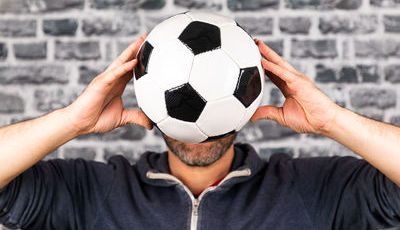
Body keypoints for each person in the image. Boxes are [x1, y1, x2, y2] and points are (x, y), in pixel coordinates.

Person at [0, 35, 399, 230]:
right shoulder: (92, 191)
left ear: (249, 95)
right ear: (150, 97)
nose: (199, 128)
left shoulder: (313, 190)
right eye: (184, 104)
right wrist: (73, 121)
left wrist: (330, 119)